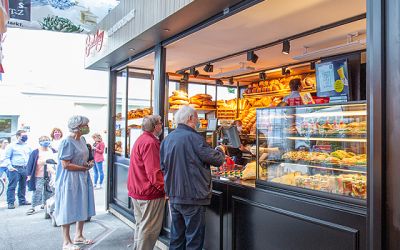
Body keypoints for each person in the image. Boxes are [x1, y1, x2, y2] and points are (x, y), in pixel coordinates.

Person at [160, 105, 225, 250]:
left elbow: (163, 167)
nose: (198, 121)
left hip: (174, 196)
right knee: (194, 241)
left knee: (176, 239)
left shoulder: (167, 139)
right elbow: (217, 160)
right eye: (197, 118)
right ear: (190, 118)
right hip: (193, 196)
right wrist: (221, 149)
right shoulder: (195, 138)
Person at [54, 116, 95, 250]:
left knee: (82, 204)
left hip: (82, 177)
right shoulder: (67, 142)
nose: (87, 127)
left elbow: (84, 157)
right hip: (70, 179)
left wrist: (89, 163)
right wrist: (83, 168)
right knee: (68, 207)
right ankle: (66, 242)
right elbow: (65, 164)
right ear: (77, 127)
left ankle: (79, 235)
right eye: (85, 125)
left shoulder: (82, 140)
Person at [127, 115, 165, 250]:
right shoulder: (151, 143)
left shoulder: (141, 139)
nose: (162, 125)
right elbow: (154, 172)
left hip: (137, 189)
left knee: (141, 225)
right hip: (149, 192)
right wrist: (165, 189)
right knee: (149, 230)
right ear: (155, 127)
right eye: (160, 123)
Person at [26, 136, 56, 215]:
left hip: (50, 174)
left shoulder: (52, 150)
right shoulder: (35, 152)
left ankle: (47, 205)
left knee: (49, 190)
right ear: (40, 142)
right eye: (43, 140)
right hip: (39, 174)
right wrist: (28, 175)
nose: (45, 142)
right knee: (37, 190)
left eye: (47, 140)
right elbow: (30, 163)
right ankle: (33, 207)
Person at [4, 130, 32, 209]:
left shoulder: (28, 146)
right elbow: (7, 157)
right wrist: (10, 166)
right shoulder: (11, 146)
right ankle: (10, 202)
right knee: (12, 186)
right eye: (23, 135)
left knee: (23, 185)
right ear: (18, 136)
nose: (25, 137)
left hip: (24, 168)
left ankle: (22, 201)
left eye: (26, 135)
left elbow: (31, 157)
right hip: (14, 168)